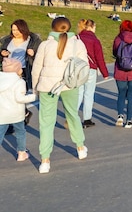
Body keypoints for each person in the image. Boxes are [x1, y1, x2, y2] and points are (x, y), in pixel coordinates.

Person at [31, 16, 89, 173]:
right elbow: (84, 66)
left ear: (52, 28)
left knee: (46, 122)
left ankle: (45, 160)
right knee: (72, 115)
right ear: (69, 28)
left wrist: (36, 88)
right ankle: (80, 147)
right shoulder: (77, 43)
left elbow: (36, 68)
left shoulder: (45, 45)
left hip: (47, 86)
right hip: (69, 85)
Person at [1, 19, 42, 127]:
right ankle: (23, 114)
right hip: (9, 71)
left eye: (17, 30)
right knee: (10, 97)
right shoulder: (7, 40)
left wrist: (33, 53)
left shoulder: (32, 40)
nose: (15, 32)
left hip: (23, 70)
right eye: (13, 29)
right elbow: (2, 52)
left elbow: (41, 54)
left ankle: (16, 122)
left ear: (23, 29)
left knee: (18, 96)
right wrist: (2, 53)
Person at [0, 58, 36, 161]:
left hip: (2, 113)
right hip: (16, 113)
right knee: (20, 132)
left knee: (0, 133)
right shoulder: (19, 82)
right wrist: (33, 96)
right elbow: (20, 99)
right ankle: (21, 152)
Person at [77, 19, 109, 128]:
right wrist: (105, 73)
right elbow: (99, 58)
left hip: (78, 68)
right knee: (89, 94)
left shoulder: (77, 38)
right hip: (90, 68)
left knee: (79, 93)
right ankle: (87, 118)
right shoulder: (95, 40)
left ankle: (72, 116)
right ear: (91, 27)